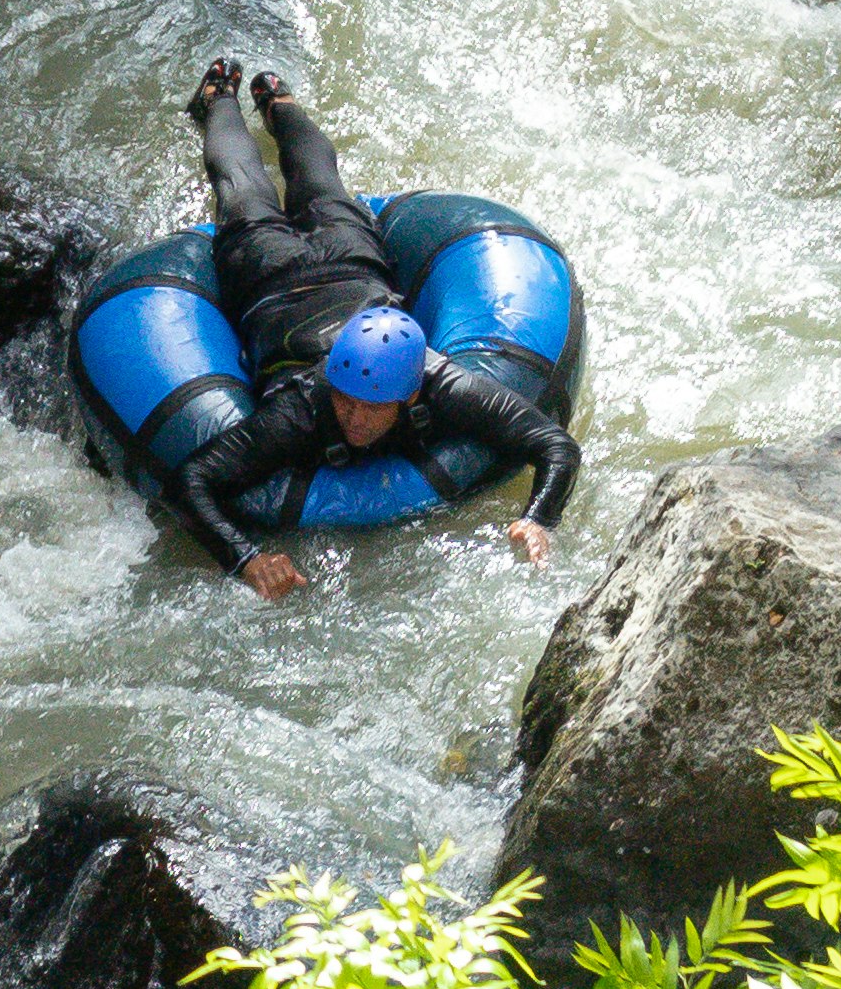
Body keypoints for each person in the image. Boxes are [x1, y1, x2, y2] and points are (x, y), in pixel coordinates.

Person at [176, 64, 577, 601]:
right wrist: (245, 558)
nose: (356, 419)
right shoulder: (302, 409)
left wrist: (538, 518)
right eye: (348, 402)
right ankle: (217, 97)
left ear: (411, 393)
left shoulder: (439, 381)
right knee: (242, 186)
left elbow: (555, 445)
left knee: (319, 176)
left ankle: (278, 104)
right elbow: (192, 480)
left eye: (373, 405)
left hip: (348, 258)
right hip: (269, 274)